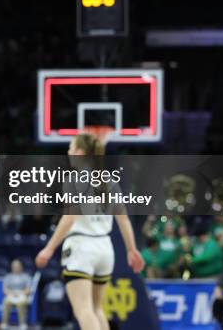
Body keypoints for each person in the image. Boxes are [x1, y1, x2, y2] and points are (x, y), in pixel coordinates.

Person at [35, 133, 145, 330]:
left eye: (71, 147)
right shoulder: (109, 181)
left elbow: (69, 218)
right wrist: (131, 249)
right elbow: (124, 220)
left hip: (81, 248)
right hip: (105, 248)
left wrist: (49, 249)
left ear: (80, 152)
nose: (68, 152)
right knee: (97, 309)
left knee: (83, 311)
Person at [0, 259, 32, 330]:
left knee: (21, 303)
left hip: (22, 295)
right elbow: (5, 290)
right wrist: (12, 293)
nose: (15, 268)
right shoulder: (8, 277)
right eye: (14, 266)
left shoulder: (26, 277)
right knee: (6, 302)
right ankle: (4, 323)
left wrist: (20, 293)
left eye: (17, 266)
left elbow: (28, 290)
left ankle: (22, 324)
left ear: (21, 267)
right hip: (11, 295)